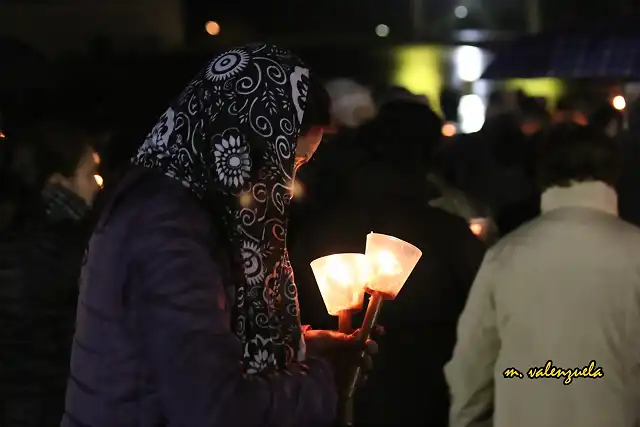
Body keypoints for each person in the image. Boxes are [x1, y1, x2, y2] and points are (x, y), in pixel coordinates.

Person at [63, 43, 374, 427]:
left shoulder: (193, 205)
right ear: (243, 140)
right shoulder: (166, 226)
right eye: (286, 160)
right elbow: (213, 409)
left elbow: (198, 342)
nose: (287, 181)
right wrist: (324, 378)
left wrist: (299, 348)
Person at [290, 93, 486, 425]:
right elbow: (484, 316)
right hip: (420, 396)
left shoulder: (320, 223)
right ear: (431, 154)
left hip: (334, 396)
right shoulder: (448, 233)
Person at [446, 124, 640, 427]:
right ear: (615, 173)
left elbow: (473, 361)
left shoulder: (507, 253)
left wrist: (466, 418)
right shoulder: (634, 249)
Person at [0, 121, 100, 426]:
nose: (97, 184)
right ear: (61, 182)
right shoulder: (71, 248)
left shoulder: (17, 233)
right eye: (89, 174)